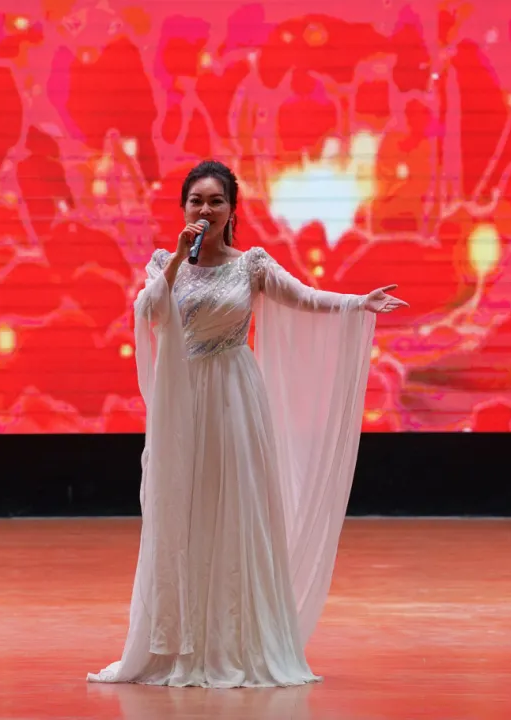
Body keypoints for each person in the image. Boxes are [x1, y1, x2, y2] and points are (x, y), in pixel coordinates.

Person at [87, 159, 408, 688]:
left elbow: (304, 297)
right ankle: (179, 644)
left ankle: (236, 642)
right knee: (184, 510)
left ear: (232, 209)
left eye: (216, 201)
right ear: (183, 208)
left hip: (235, 396)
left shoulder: (251, 265)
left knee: (235, 509)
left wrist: (359, 303)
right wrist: (176, 260)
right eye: (196, 201)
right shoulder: (164, 264)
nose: (206, 209)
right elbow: (150, 312)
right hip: (182, 399)